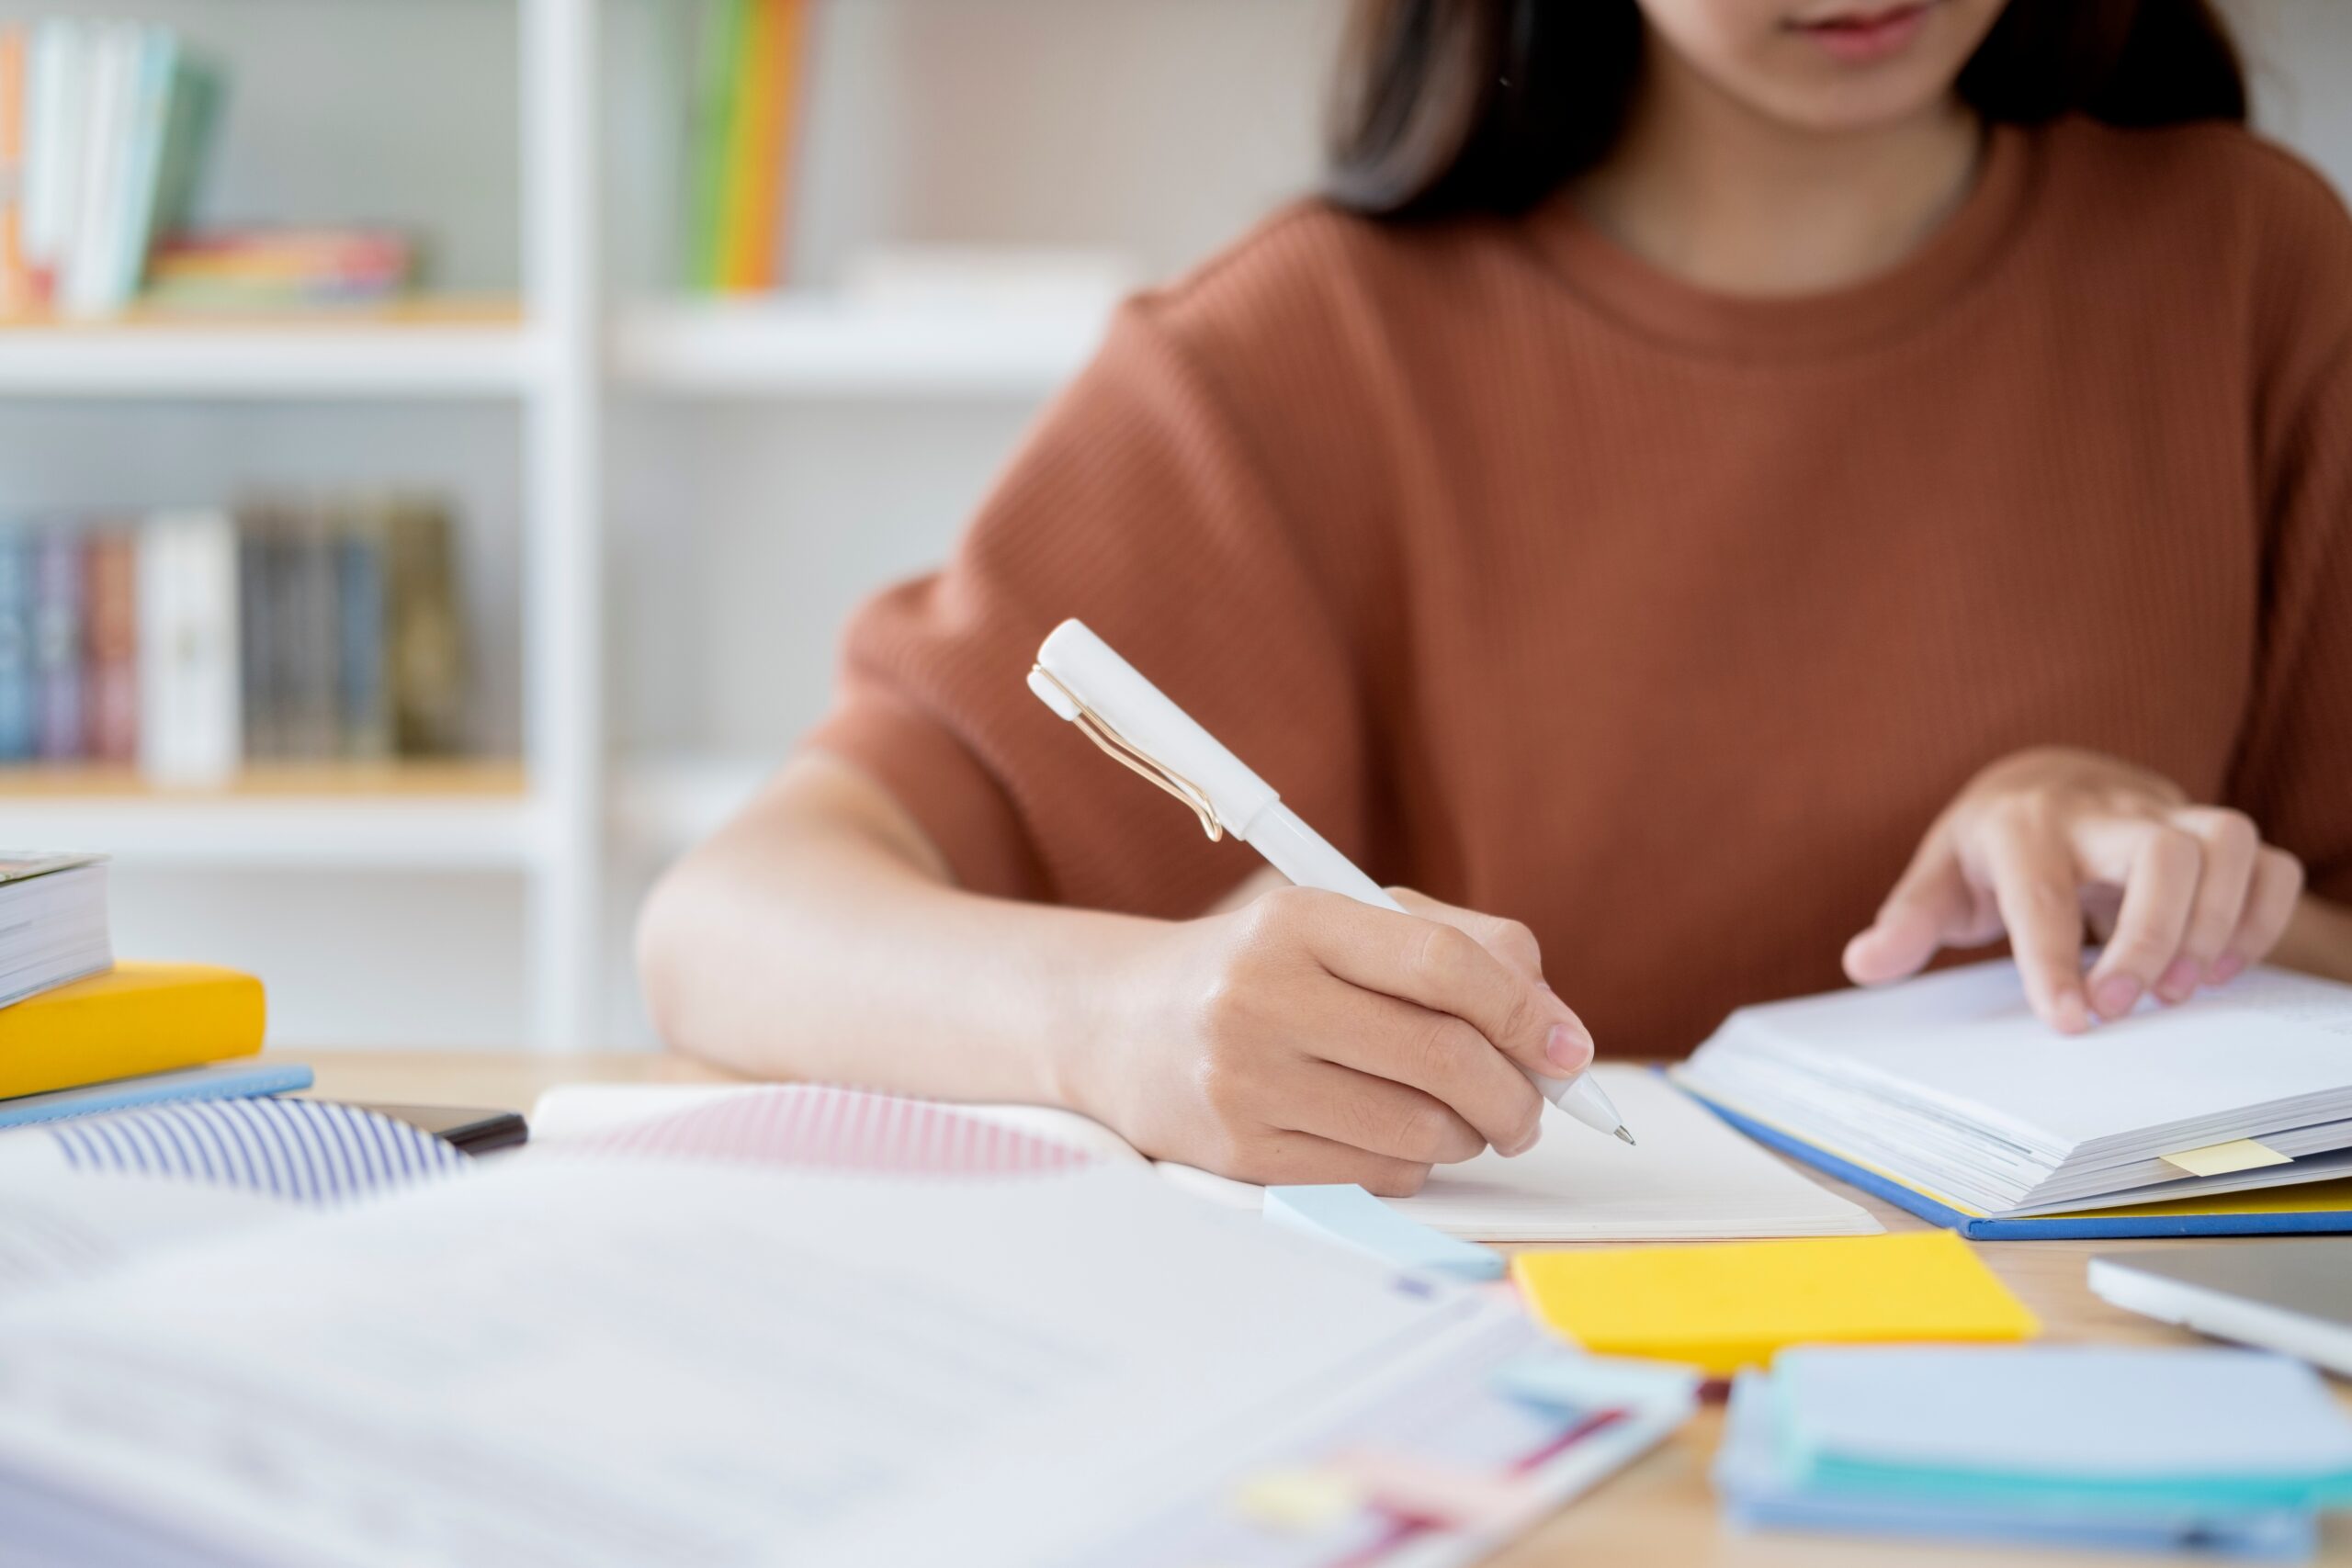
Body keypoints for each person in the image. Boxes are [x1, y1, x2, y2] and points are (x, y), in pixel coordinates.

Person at [639, 0, 2352, 1195]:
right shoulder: (1291, 358)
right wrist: (1123, 1024)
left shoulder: (2260, 276)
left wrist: (2189, 905)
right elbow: (725, 926)